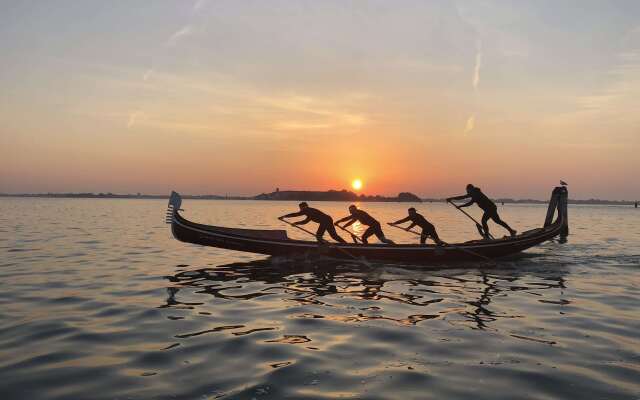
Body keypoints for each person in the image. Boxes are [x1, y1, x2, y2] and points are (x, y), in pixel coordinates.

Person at [447, 184, 517, 237]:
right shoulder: (473, 193)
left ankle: (486, 235)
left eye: (467, 190)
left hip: (490, 208)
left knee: (484, 221)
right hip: (490, 208)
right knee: (497, 221)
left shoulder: (476, 193)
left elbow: (470, 203)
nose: (467, 192)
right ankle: (511, 231)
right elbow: (462, 197)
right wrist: (452, 198)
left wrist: (460, 206)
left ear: (470, 189)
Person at [280, 202, 346, 243]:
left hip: (325, 220)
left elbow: (301, 218)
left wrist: (286, 218)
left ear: (304, 207)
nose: (300, 210)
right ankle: (345, 244)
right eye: (300, 208)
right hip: (328, 219)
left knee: (319, 235)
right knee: (333, 236)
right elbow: (301, 218)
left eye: (301, 208)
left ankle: (322, 247)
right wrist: (294, 222)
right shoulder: (308, 211)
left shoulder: (308, 210)